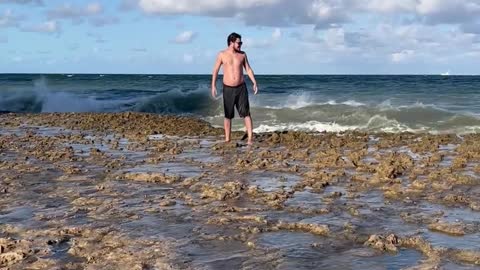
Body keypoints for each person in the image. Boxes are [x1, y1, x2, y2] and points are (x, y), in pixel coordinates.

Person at [211, 32, 258, 145]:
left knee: (246, 113)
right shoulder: (222, 54)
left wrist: (254, 82)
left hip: (241, 87)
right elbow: (215, 70)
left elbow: (248, 69)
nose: (240, 44)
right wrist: (213, 85)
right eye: (239, 42)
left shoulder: (242, 55)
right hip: (228, 88)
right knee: (228, 115)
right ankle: (227, 139)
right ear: (231, 42)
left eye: (241, 42)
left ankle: (250, 138)